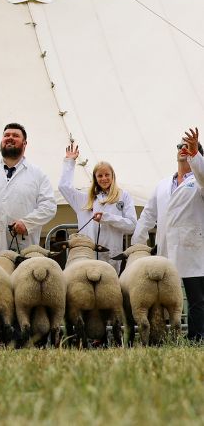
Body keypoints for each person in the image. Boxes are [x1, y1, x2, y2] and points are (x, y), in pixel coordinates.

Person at [133, 129, 204, 341]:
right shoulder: (163, 184)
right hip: (166, 247)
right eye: (180, 147)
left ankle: (197, 337)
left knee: (196, 298)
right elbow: (148, 213)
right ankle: (160, 336)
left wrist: (196, 156)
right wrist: (138, 242)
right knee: (160, 296)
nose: (183, 150)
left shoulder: (199, 182)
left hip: (193, 248)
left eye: (189, 147)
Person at [0, 122, 56, 263]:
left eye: (15, 135)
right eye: (6, 135)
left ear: (25, 143)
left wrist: (27, 223)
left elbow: (49, 206)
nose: (10, 138)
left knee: (20, 283)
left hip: (21, 247)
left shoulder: (38, 175)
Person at [58, 141, 136, 268]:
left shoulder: (124, 196)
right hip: (88, 256)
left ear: (113, 176)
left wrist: (107, 218)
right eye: (100, 175)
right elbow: (63, 187)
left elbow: (132, 225)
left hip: (112, 256)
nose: (104, 178)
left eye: (107, 175)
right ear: (95, 178)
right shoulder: (84, 198)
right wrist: (69, 161)